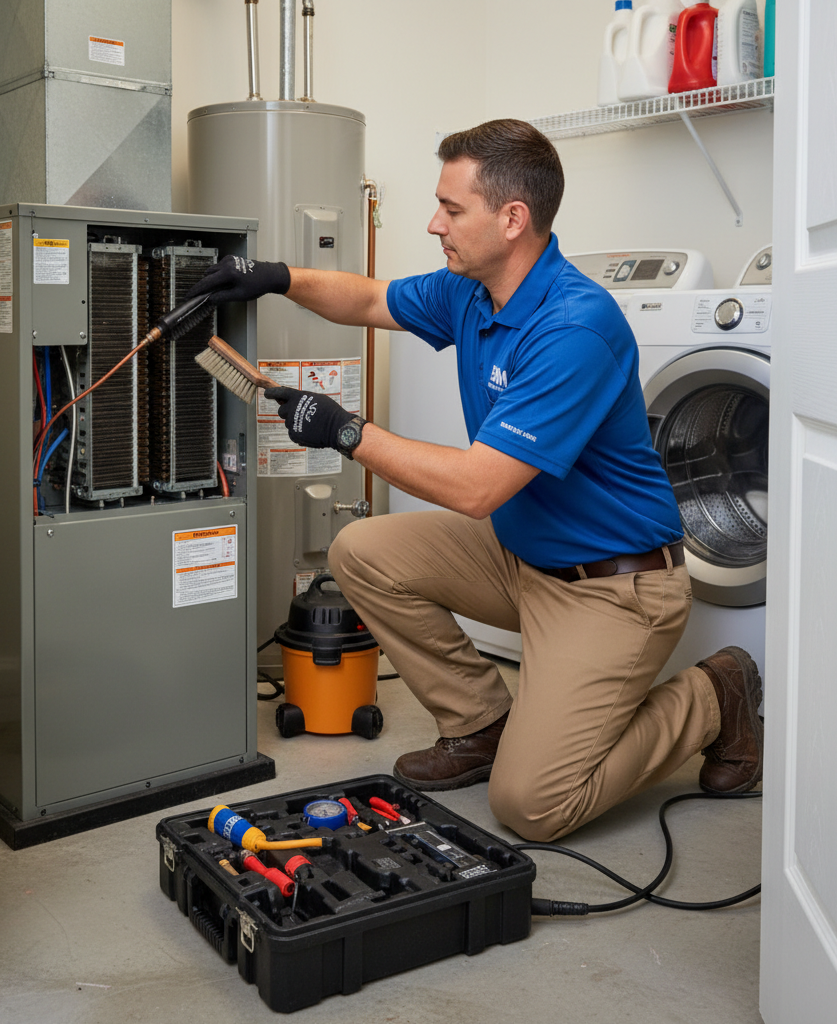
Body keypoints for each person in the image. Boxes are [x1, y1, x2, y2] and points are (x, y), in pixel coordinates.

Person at [186, 118, 763, 842]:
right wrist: (272, 278)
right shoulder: (472, 291)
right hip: (526, 558)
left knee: (533, 808)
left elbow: (476, 489)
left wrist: (346, 430)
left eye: (451, 209)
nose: (434, 224)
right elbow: (368, 299)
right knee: (362, 552)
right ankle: (482, 724)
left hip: (615, 591)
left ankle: (716, 694)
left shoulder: (573, 328)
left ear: (512, 218)